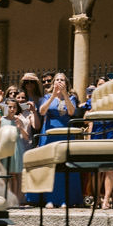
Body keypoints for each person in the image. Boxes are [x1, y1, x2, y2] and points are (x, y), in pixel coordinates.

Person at [35, 72, 81, 207]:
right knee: (50, 167)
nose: (59, 82)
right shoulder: (46, 97)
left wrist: (65, 94)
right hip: (49, 134)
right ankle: (49, 199)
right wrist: (54, 96)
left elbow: (72, 112)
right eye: (57, 80)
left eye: (62, 80)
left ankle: (65, 199)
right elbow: (42, 111)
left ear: (66, 83)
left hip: (65, 133)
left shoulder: (71, 97)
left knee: (65, 166)